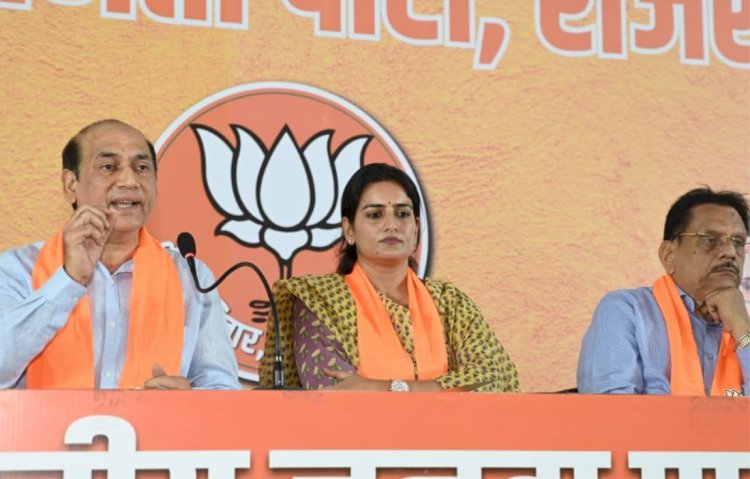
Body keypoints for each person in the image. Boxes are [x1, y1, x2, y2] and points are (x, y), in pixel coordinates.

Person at [0, 119, 240, 390]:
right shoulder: (17, 269)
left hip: (156, 421)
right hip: (43, 421)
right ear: (70, 184)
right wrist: (69, 279)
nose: (129, 181)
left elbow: (223, 390)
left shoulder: (190, 277)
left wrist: (186, 403)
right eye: (108, 167)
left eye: (141, 168)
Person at [259, 163, 519, 392]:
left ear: (416, 228)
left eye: (403, 214)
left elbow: (493, 378)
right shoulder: (320, 299)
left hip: (451, 433)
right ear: (349, 230)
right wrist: (443, 389)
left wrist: (391, 388)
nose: (392, 225)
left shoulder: (449, 302)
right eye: (375, 215)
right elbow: (333, 391)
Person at [578, 188, 750, 396]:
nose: (730, 253)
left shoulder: (743, 323)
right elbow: (610, 410)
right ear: (668, 255)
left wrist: (742, 327)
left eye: (738, 242)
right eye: (709, 239)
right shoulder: (628, 311)